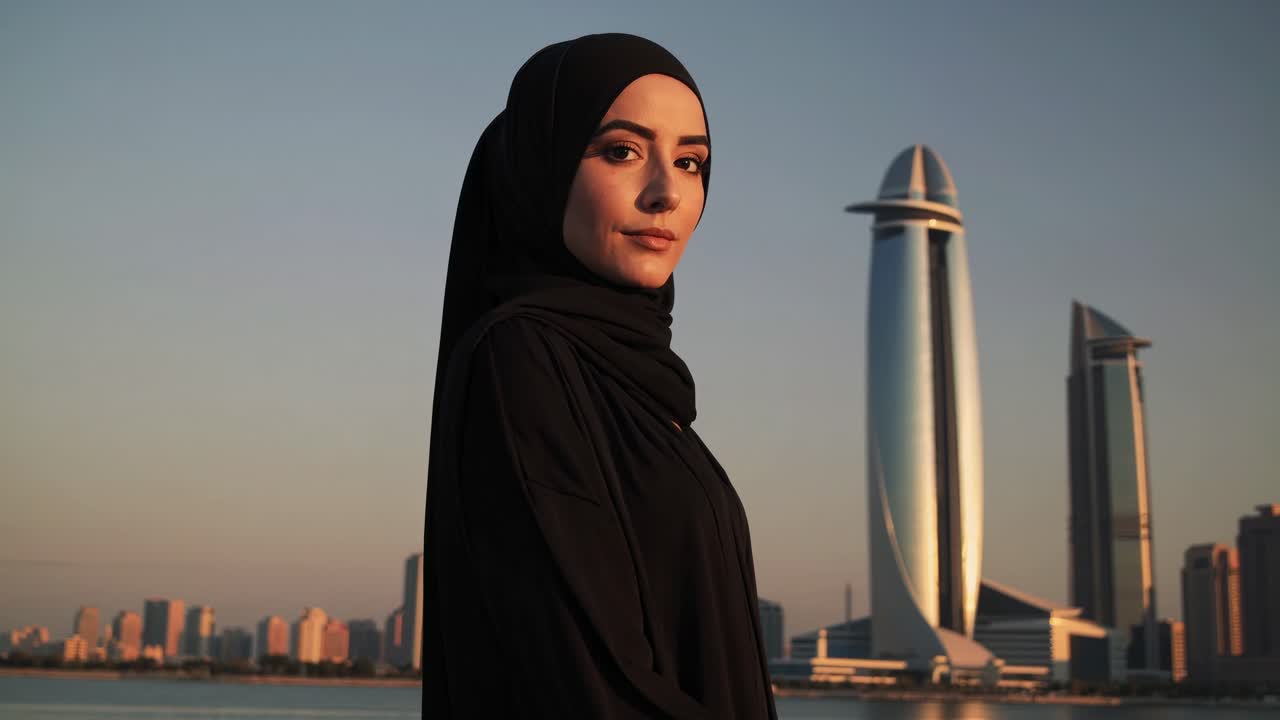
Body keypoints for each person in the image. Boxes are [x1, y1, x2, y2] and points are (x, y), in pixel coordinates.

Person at [423, 33, 777, 719]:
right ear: (542, 168)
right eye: (621, 151)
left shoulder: (643, 387)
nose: (666, 193)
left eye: (691, 161)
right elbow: (592, 683)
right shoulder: (521, 358)